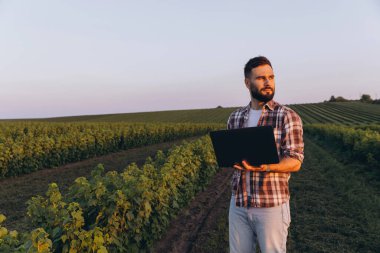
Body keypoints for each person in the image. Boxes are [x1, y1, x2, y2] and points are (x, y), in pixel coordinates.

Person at [227, 56, 304, 253]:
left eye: (271, 77)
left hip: (271, 205)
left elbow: (295, 161)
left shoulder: (286, 116)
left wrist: (267, 167)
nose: (268, 82)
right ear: (247, 83)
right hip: (239, 203)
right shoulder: (235, 118)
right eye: (261, 78)